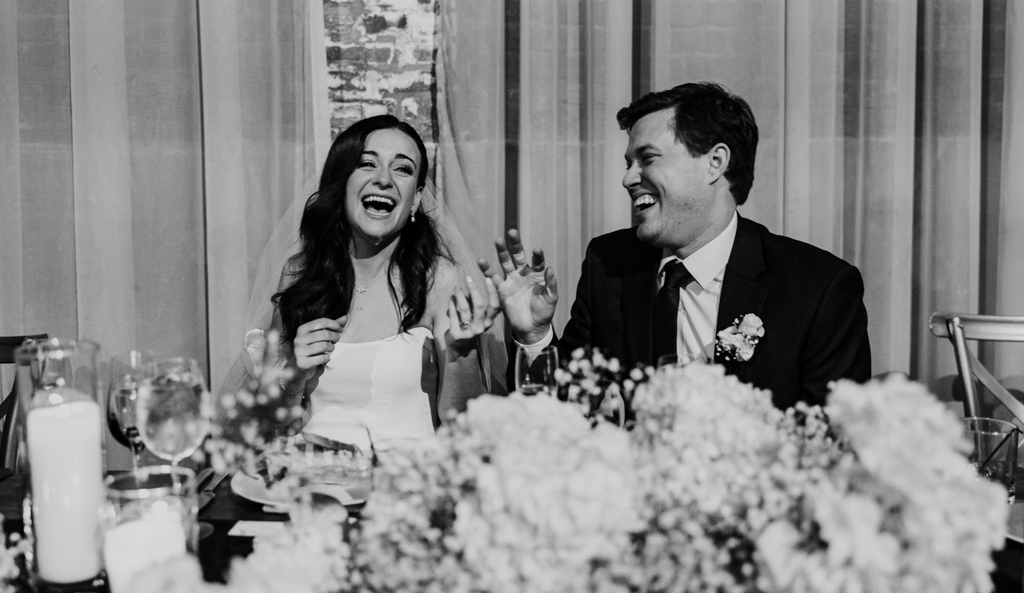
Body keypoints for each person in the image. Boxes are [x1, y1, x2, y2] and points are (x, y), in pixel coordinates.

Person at [481, 82, 870, 408]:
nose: (628, 179)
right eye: (628, 163)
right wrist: (534, 337)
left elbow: (830, 443)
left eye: (647, 159)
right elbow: (562, 413)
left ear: (715, 162)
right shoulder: (609, 265)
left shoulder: (818, 288)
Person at [228, 114, 505, 443]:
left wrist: (461, 351)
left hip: (404, 486)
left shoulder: (440, 280)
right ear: (342, 182)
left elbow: (465, 429)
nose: (384, 179)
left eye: (402, 168)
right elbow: (269, 426)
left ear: (416, 198)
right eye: (367, 164)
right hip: (315, 485)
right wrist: (295, 374)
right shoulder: (299, 274)